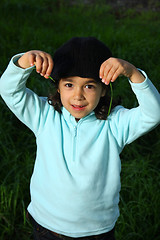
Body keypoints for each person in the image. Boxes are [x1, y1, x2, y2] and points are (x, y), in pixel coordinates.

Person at [0, 37, 160, 240]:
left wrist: (133, 72)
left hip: (96, 232)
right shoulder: (44, 115)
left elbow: (153, 113)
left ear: (103, 90)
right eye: (69, 85)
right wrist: (24, 62)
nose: (78, 96)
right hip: (47, 228)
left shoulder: (114, 123)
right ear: (57, 86)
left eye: (89, 86)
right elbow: (9, 91)